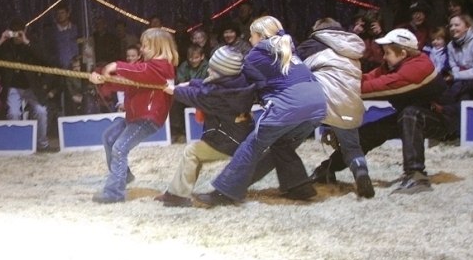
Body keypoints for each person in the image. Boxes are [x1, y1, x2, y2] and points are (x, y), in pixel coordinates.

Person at [195, 16, 328, 206]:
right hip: (318, 105)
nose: (249, 40)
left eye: (251, 36)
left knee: (252, 146)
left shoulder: (258, 53)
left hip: (289, 106)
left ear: (260, 36)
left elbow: (233, 79)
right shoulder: (290, 51)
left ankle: (224, 192)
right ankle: (299, 186)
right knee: (282, 145)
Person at [315, 28, 452, 194]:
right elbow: (367, 78)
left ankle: (417, 177)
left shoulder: (418, 68)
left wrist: (337, 89)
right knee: (371, 131)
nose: (384, 57)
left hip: (443, 121)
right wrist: (340, 79)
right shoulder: (392, 65)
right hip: (411, 116)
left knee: (411, 113)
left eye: (387, 52)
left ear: (402, 53)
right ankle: (327, 170)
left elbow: (374, 87)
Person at [156, 47, 256, 207]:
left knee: (192, 152)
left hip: (229, 141)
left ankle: (178, 196)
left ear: (222, 71)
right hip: (242, 135)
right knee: (196, 153)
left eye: (213, 68)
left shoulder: (217, 96)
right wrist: (191, 82)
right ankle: (176, 192)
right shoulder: (239, 81)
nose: (208, 69)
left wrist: (172, 90)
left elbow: (197, 96)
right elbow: (209, 86)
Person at [89, 28, 177, 203]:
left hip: (148, 119)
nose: (142, 49)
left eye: (145, 46)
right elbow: (128, 83)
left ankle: (114, 192)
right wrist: (102, 77)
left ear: (157, 46)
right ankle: (124, 175)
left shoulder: (162, 68)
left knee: (120, 148)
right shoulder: (146, 68)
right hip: (134, 118)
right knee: (109, 138)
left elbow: (140, 71)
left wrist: (115, 66)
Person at [298, 18, 374, 198]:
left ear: (317, 30)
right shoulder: (352, 47)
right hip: (350, 103)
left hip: (319, 103)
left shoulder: (311, 44)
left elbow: (292, 69)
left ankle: (294, 181)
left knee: (286, 141)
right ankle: (361, 172)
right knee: (352, 148)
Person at [0, 19, 53, 151]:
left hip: (31, 87)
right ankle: (17, 145)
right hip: (13, 87)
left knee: (41, 111)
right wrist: (1, 40)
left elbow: (45, 59)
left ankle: (43, 144)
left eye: (19, 33)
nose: (17, 37)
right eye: (15, 34)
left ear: (24, 31)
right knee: (14, 113)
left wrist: (26, 42)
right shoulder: (6, 46)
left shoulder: (31, 44)